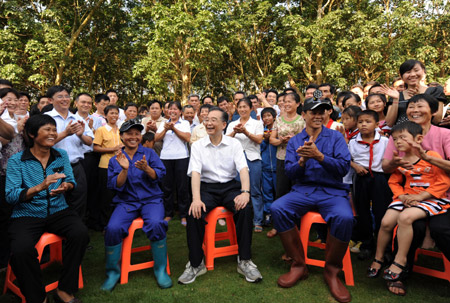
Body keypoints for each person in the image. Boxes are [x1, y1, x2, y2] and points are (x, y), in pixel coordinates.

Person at [270, 97, 354, 303]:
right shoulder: (296, 140)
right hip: (303, 191)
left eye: (323, 111)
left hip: (332, 191)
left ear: (327, 114)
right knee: (277, 208)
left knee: (345, 217)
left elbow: (343, 168)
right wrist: (301, 161)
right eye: (313, 112)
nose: (318, 115)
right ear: (304, 115)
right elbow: (290, 173)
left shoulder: (335, 137)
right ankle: (299, 265)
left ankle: (332, 271)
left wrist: (320, 157)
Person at [6, 114, 89, 303]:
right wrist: (39, 187)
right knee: (21, 249)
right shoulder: (17, 160)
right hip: (27, 213)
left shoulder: (61, 155)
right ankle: (37, 297)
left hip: (59, 210)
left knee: (80, 234)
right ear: (33, 134)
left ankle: (64, 290)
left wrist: (66, 186)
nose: (53, 133)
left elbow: (70, 179)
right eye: (48, 130)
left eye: (54, 129)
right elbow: (11, 195)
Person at [178, 107, 262, 284]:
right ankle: (195, 264)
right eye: (207, 119)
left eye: (214, 120)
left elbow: (243, 169)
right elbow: (195, 174)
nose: (209, 122)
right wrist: (196, 199)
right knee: (194, 212)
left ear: (224, 124)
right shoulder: (198, 145)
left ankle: (245, 260)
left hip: (230, 187)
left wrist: (246, 193)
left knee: (245, 208)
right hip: (206, 188)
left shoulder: (234, 144)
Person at [381, 93, 450, 295]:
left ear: (434, 111)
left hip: (443, 196)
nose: (415, 110)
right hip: (412, 196)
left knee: (441, 229)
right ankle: (400, 272)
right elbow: (386, 168)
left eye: (420, 106)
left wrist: (426, 157)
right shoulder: (400, 134)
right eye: (411, 106)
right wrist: (395, 163)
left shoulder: (444, 134)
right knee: (411, 224)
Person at [102, 120, 171, 291]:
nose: (133, 137)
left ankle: (160, 270)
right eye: (129, 134)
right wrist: (124, 169)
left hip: (151, 200)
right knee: (113, 228)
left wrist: (147, 168)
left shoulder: (149, 153)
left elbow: (159, 176)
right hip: (127, 202)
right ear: (122, 136)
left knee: (156, 224)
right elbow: (116, 186)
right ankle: (113, 273)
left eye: (137, 134)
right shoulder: (115, 159)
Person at [348, 110, 391, 260]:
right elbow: (347, 159)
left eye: (368, 121)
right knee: (363, 211)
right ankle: (367, 244)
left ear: (377, 124)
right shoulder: (353, 142)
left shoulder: (385, 141)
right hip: (361, 178)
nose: (364, 125)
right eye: (360, 122)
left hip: (379, 179)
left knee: (381, 212)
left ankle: (384, 247)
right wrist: (355, 166)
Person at [45, 86, 94, 219]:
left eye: (67, 96)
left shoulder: (77, 118)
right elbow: (43, 142)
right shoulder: (46, 119)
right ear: (50, 100)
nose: (65, 99)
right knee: (57, 201)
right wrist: (66, 133)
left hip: (76, 167)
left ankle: (77, 233)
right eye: (60, 96)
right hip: (54, 168)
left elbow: (89, 142)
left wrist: (80, 134)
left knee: (79, 200)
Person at [267, 92, 304, 237]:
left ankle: (297, 225)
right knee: (281, 192)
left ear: (297, 104)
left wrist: (294, 140)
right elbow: (272, 140)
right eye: (284, 102)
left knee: (296, 192)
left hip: (298, 160)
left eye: (290, 102)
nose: (287, 104)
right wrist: (282, 141)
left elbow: (305, 141)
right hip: (281, 158)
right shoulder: (279, 120)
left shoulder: (302, 121)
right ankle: (278, 225)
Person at [226, 98, 264, 232]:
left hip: (253, 159)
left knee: (254, 190)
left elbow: (259, 140)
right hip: (235, 160)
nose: (242, 109)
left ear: (251, 108)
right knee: (236, 189)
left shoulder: (257, 123)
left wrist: (246, 132)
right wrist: (235, 132)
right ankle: (237, 217)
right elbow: (225, 141)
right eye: (240, 107)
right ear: (237, 109)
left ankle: (258, 220)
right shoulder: (232, 124)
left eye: (245, 107)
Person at [155, 101, 191, 224]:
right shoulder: (164, 123)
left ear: (180, 112)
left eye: (175, 109)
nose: (173, 111)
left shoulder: (185, 123)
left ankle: (184, 215)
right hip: (166, 157)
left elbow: (187, 138)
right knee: (167, 187)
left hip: (181, 157)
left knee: (182, 187)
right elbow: (156, 139)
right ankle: (168, 213)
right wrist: (166, 129)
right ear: (167, 111)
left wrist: (174, 128)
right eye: (170, 109)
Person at [384, 59, 446, 127]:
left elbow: (437, 120)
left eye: (416, 70)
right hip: (401, 135)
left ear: (423, 72)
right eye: (408, 72)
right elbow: (389, 123)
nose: (413, 74)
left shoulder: (435, 91)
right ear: (401, 76)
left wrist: (420, 98)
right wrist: (396, 99)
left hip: (426, 135)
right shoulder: (396, 95)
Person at [92, 105, 122, 231]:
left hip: (121, 166)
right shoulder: (101, 130)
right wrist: (112, 149)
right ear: (105, 115)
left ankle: (119, 222)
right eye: (111, 113)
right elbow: (95, 147)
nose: (114, 116)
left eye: (116, 113)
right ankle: (105, 224)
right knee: (106, 196)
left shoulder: (122, 129)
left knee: (120, 195)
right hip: (105, 166)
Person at [260, 107, 277, 226]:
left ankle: (278, 215)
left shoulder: (279, 130)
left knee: (279, 192)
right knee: (267, 192)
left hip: (278, 167)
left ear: (274, 117)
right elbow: (259, 149)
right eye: (264, 116)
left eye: (269, 115)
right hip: (265, 167)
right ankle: (268, 214)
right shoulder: (261, 132)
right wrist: (265, 140)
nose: (267, 118)